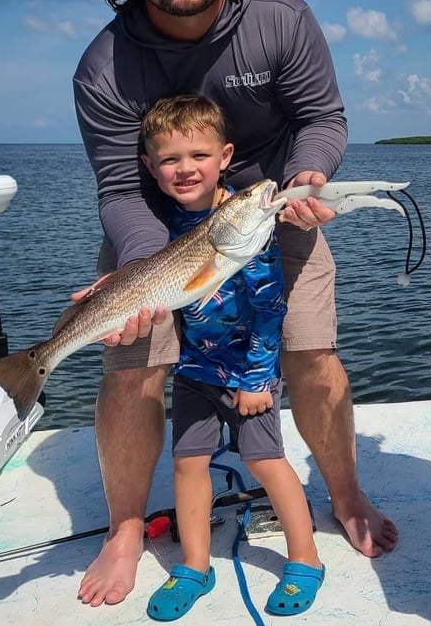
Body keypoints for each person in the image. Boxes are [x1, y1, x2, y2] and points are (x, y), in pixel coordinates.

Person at [73, 0, 397, 608]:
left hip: (272, 208)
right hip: (157, 232)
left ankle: (344, 495)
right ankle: (126, 526)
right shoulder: (103, 66)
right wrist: (139, 273)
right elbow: (122, 190)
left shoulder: (281, 18)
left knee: (313, 352)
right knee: (130, 366)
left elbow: (323, 117)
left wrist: (311, 177)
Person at [138, 94, 323, 621]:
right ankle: (195, 565)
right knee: (188, 463)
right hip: (194, 369)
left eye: (198, 155)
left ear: (225, 156)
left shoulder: (245, 221)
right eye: (170, 159)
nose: (184, 168)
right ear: (151, 167)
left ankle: (305, 558)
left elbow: (270, 309)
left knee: (265, 462)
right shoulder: (163, 221)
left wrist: (258, 379)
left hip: (249, 372)